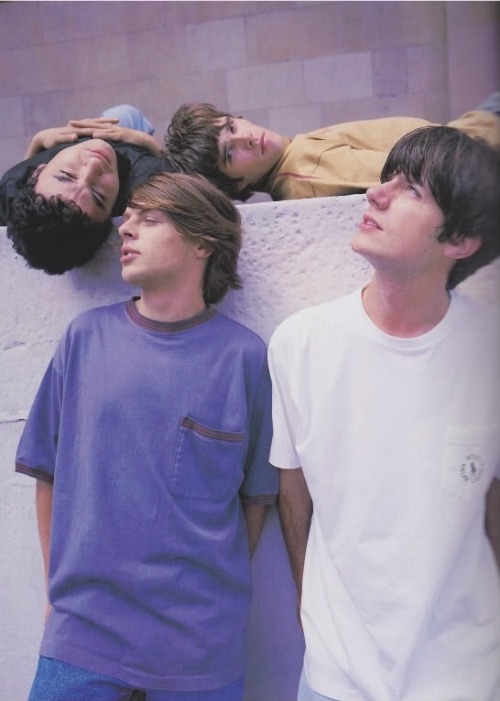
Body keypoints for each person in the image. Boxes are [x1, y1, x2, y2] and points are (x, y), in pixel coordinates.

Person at [15, 172, 278, 701]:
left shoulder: (245, 360)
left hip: (201, 653)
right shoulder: (85, 340)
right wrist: (58, 592)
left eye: (149, 219)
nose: (125, 230)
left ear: (203, 241)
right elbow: (47, 474)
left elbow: (255, 501)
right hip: (83, 637)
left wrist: (205, 604)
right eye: (127, 216)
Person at [267, 126, 500, 701]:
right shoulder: (300, 343)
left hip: (465, 677)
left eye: (413, 189)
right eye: (387, 177)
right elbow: (292, 493)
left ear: (462, 239)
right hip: (334, 679)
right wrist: (310, 614)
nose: (376, 193)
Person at [164, 100, 500, 201]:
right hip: (482, 140)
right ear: (236, 185)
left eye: (232, 127)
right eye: (229, 154)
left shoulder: (292, 157)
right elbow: (423, 168)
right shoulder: (303, 175)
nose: (246, 138)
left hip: (475, 130)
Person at [1, 104, 174, 274]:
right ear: (113, 215)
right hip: (131, 150)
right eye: (98, 196)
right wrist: (148, 143)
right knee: (125, 114)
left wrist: (37, 142)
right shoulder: (150, 181)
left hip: (82, 142)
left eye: (66, 175)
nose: (93, 164)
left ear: (37, 171)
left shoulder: (11, 189)